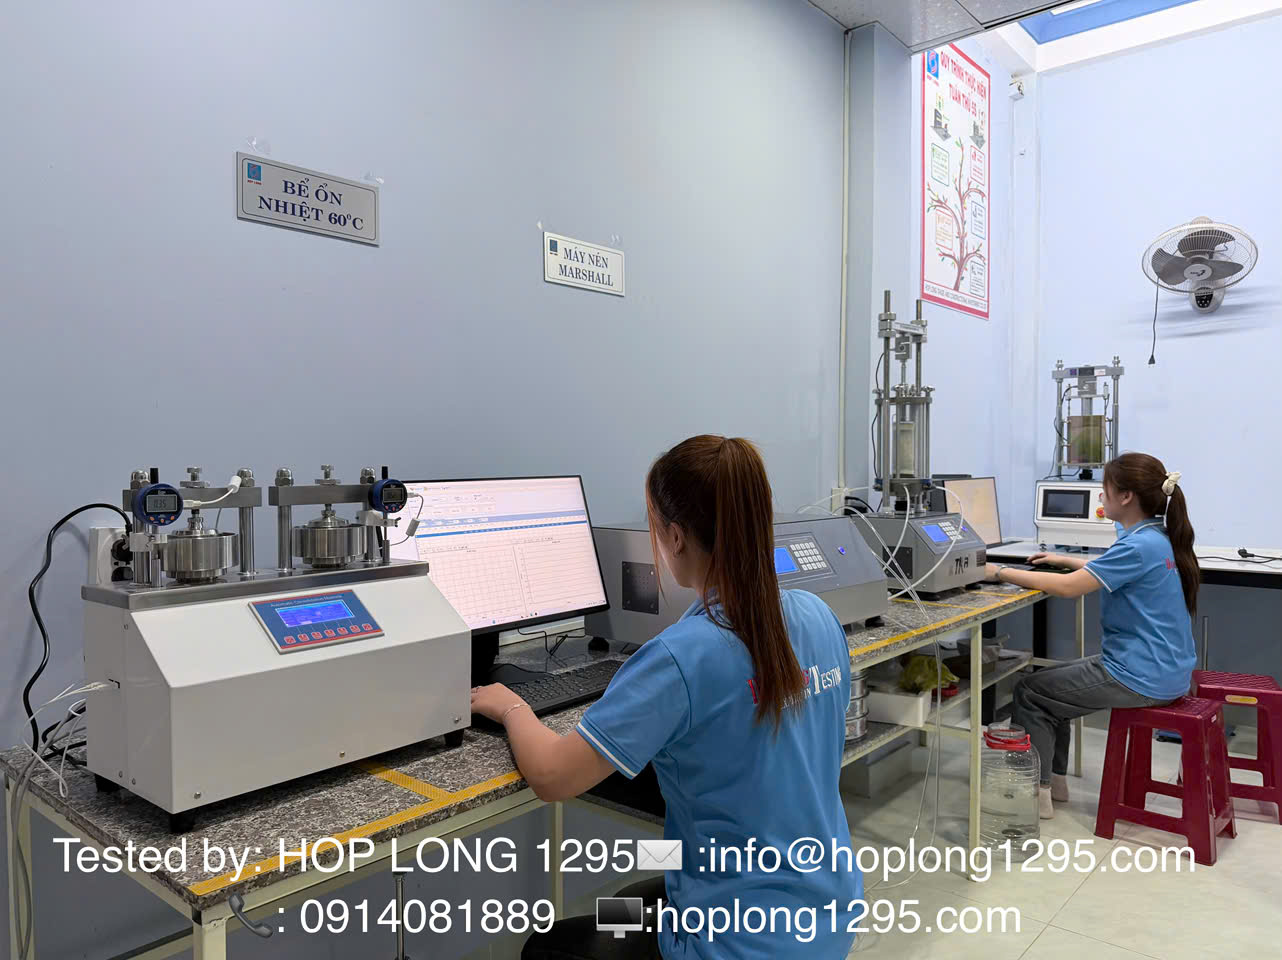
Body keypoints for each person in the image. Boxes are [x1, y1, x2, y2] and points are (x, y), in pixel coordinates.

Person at [471, 435, 861, 959]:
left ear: (675, 537)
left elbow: (552, 777)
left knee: (549, 945)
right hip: (826, 915)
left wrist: (509, 706)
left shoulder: (683, 655)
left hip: (737, 943)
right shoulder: (817, 616)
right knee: (626, 904)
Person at [984, 452, 1199, 820]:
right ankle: (1054, 784)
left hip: (1140, 674)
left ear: (1126, 496)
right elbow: (1112, 568)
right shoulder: (1155, 538)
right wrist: (1067, 560)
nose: (1101, 497)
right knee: (1052, 686)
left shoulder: (1137, 545)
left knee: (1030, 691)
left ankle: (1034, 792)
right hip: (1168, 670)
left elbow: (1069, 589)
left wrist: (999, 572)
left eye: (1105, 489)